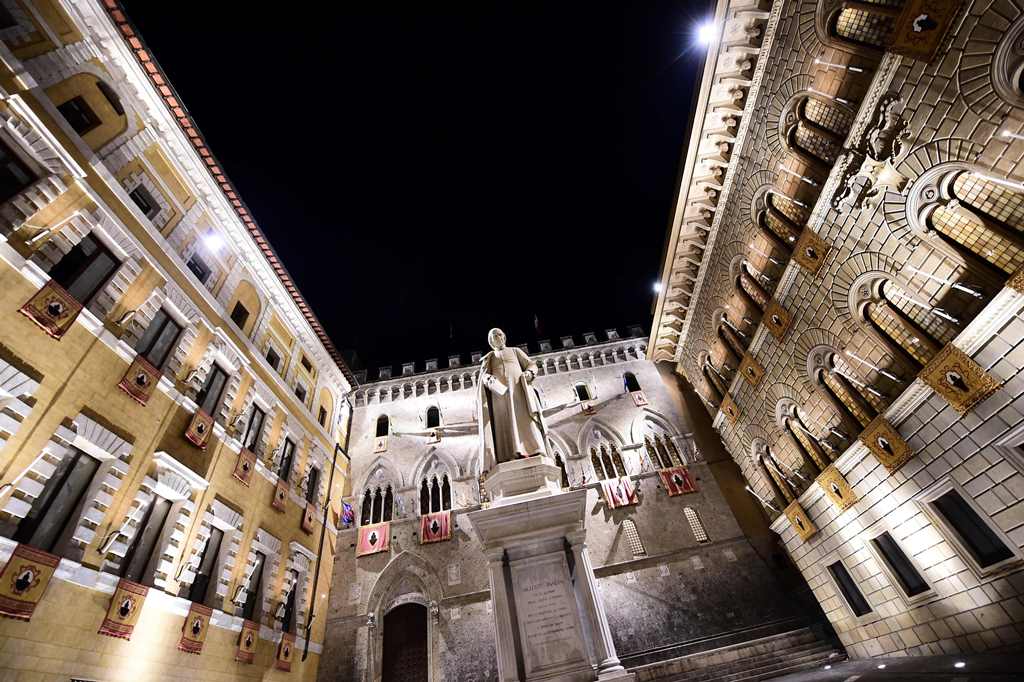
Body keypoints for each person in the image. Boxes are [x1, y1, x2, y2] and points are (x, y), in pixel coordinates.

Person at [477, 328, 547, 472]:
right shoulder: (489, 358)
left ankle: (534, 448)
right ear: (490, 342)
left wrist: (530, 372)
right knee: (504, 423)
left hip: (518, 390)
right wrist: (488, 379)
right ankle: (508, 455)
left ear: (504, 337)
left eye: (500, 334)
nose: (498, 337)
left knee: (524, 418)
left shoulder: (515, 351)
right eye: (494, 336)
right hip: (499, 395)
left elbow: (531, 364)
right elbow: (483, 376)